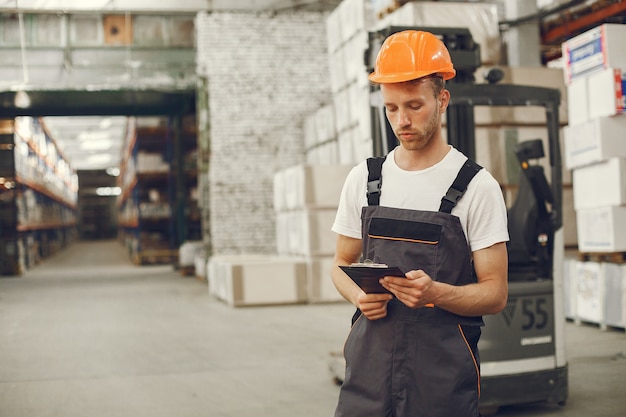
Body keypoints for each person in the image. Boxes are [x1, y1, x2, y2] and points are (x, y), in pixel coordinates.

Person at [331, 30, 509, 417]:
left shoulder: (476, 187)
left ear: (442, 100)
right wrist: (358, 297)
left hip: (441, 380)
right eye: (391, 108)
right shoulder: (364, 180)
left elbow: (495, 294)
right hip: (368, 373)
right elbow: (339, 264)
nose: (402, 121)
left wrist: (437, 293)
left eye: (414, 106)